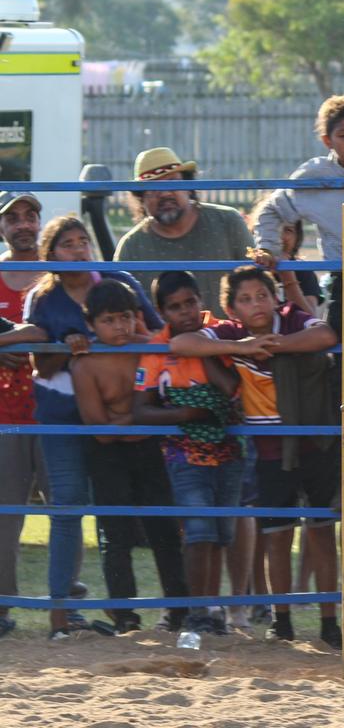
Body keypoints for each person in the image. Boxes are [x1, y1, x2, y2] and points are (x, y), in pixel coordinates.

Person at [169, 265, 342, 649]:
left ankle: (330, 621)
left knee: (321, 534)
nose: (256, 305)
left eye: (262, 295)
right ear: (232, 310)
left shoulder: (292, 320)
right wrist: (242, 347)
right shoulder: (233, 333)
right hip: (268, 450)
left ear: (275, 297)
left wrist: (277, 346)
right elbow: (181, 345)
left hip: (315, 443)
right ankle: (282, 620)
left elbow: (327, 334)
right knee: (277, 536)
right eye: (245, 300)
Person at [24, 216, 166, 638]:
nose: (79, 249)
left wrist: (113, 340)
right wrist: (68, 345)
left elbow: (158, 335)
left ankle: (150, 613)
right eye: (67, 244)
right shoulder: (43, 297)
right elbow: (39, 365)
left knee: (124, 511)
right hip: (63, 414)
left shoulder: (119, 281)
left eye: (82, 241)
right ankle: (60, 614)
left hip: (120, 408)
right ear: (51, 256)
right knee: (67, 506)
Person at [133, 271, 249, 635]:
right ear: (161, 311)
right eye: (175, 307)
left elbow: (233, 389)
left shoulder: (225, 332)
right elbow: (140, 410)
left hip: (227, 447)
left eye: (190, 303)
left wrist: (205, 347)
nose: (185, 312)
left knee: (220, 533)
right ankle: (197, 612)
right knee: (198, 529)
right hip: (182, 450)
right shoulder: (156, 348)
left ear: (202, 300)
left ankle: (212, 610)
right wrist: (185, 414)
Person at [71, 280, 190, 634]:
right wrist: (139, 418)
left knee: (165, 530)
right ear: (91, 323)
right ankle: (125, 615)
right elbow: (101, 431)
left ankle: (179, 610)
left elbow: (167, 402)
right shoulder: (85, 365)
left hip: (151, 448)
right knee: (115, 534)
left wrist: (131, 420)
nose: (119, 327)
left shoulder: (151, 348)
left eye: (125, 318)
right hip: (109, 454)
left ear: (135, 317)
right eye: (108, 320)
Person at [253, 94, 344, 333]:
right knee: (340, 339)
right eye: (343, 135)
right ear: (328, 141)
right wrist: (268, 247)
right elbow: (272, 209)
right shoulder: (314, 177)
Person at [114, 146, 254, 318]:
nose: (165, 193)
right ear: (142, 198)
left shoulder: (228, 222)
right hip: (164, 343)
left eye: (173, 182)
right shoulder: (130, 247)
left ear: (189, 186)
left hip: (233, 341)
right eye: (153, 188)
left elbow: (258, 282)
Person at [0, 191, 52, 637]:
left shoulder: (62, 271)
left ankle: (66, 607)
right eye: (12, 218)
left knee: (67, 510)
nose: (22, 224)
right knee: (4, 515)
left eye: (29, 216)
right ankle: (2, 608)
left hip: (55, 409)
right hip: (4, 414)